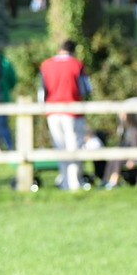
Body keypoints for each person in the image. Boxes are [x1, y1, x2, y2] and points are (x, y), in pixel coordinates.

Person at [39, 40, 92, 190]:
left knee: (60, 146)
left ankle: (65, 181)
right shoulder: (77, 65)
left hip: (52, 111)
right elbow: (86, 89)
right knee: (74, 146)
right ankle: (74, 183)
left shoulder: (46, 65)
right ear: (73, 51)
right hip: (73, 111)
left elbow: (42, 91)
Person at [0, 42, 17, 150]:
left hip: (2, 98)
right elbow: (13, 81)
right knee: (4, 127)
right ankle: (10, 149)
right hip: (3, 98)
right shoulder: (5, 62)